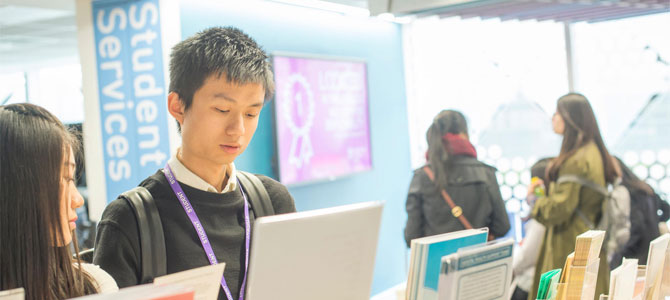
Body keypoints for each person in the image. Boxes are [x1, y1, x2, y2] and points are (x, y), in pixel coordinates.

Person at [93, 27, 296, 300]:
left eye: (251, 113)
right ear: (177, 106)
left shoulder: (272, 202)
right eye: (222, 110)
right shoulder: (130, 220)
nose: (237, 129)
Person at [0, 103, 118, 300]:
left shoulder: (94, 286)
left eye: (72, 178)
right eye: (64, 178)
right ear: (17, 189)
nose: (77, 200)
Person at [527, 93, 618, 300]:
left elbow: (558, 210)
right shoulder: (593, 152)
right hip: (588, 245)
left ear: (571, 118)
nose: (554, 117)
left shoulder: (576, 159)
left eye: (558, 112)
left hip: (569, 247)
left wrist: (536, 201)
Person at [404, 110, 510, 247]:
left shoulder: (422, 177)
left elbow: (411, 236)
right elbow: (502, 226)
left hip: (436, 265)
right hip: (477, 261)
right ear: (464, 134)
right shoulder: (485, 173)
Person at [609, 156, 670, 269]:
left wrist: (619, 256)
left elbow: (637, 226)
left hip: (637, 253)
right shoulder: (644, 187)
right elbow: (667, 210)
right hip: (652, 248)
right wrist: (654, 222)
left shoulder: (626, 192)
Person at [511, 158, 551, 300]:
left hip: (530, 284)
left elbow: (527, 255)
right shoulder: (552, 212)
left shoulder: (543, 217)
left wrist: (512, 269)